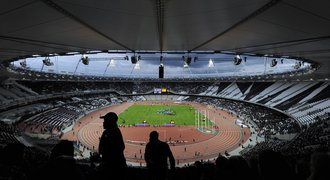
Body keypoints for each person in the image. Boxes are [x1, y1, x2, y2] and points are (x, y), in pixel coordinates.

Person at [98, 112, 127, 179]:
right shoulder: (111, 132)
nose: (103, 123)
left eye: (105, 121)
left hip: (113, 168)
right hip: (114, 166)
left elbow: (118, 149)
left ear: (110, 122)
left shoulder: (113, 133)